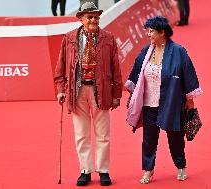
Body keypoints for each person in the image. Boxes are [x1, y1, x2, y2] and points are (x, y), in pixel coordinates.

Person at [125, 16, 202, 184]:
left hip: (171, 102)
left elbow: (188, 74)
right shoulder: (146, 51)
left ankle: (180, 166)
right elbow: (136, 73)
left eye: (151, 31)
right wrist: (133, 96)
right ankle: (148, 169)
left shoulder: (178, 51)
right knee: (148, 139)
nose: (148, 34)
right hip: (149, 104)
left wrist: (190, 101)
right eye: (147, 30)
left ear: (162, 32)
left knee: (175, 137)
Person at [54, 2, 122, 186]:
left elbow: (116, 68)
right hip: (76, 92)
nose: (93, 20)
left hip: (101, 90)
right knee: (81, 134)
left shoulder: (108, 38)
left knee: (103, 134)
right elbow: (60, 67)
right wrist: (61, 90)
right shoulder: (69, 38)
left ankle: (103, 170)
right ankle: (85, 170)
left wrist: (117, 94)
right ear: (81, 19)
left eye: (96, 17)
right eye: (89, 17)